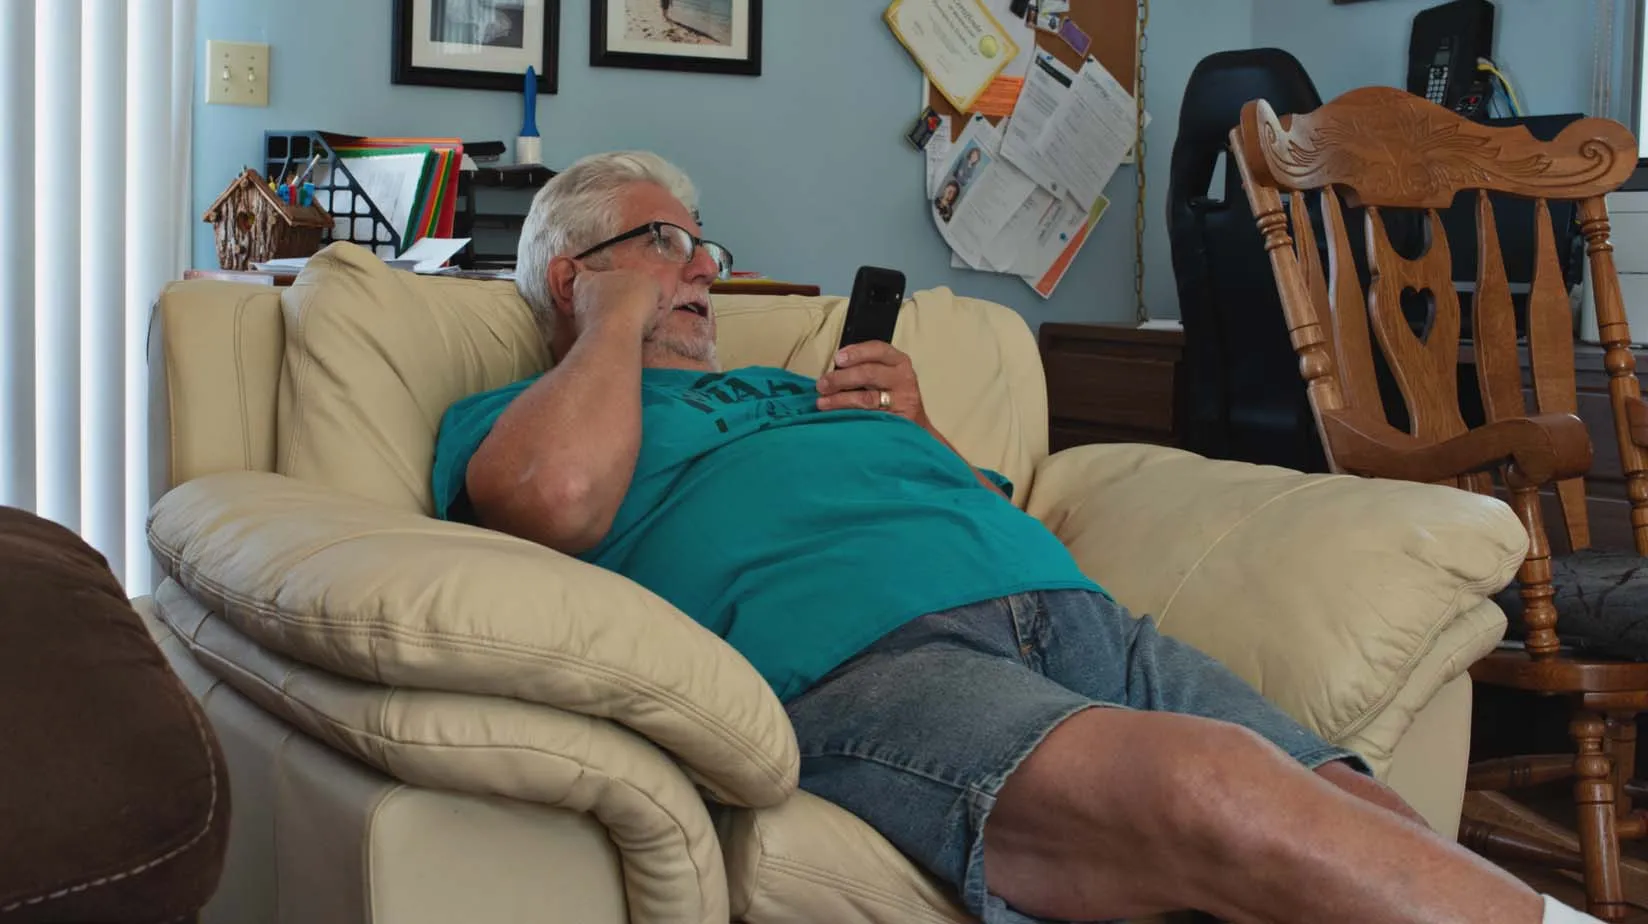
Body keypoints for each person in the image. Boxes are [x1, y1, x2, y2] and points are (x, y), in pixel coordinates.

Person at [430, 150, 1600, 924]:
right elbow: (560, 499)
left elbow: (999, 511)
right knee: (1212, 785)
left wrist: (922, 434)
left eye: (703, 249)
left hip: (1072, 616)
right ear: (567, 280)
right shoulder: (513, 423)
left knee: (1355, 811)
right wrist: (614, 308)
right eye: (662, 245)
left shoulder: (799, 396)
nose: (699, 270)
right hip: (867, 662)